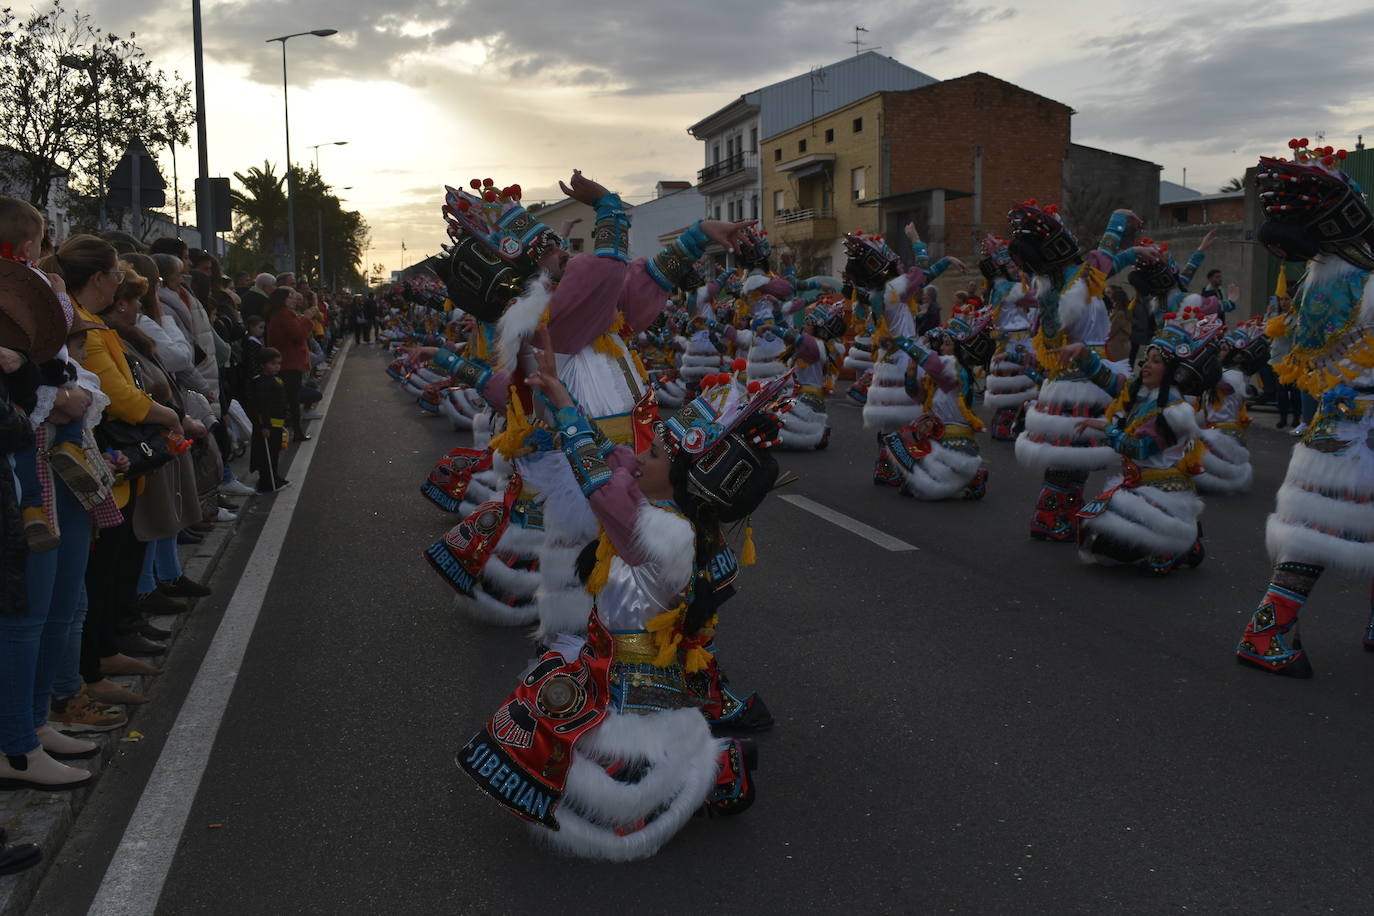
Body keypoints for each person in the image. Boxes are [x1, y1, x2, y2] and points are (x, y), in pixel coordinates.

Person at [457, 337, 779, 859]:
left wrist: (563, 405)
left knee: (556, 724)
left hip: (625, 678)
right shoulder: (686, 522)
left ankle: (714, 771)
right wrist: (566, 400)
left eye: (653, 453)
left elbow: (598, 481)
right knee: (567, 711)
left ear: (678, 481)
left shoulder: (657, 535)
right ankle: (710, 769)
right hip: (633, 664)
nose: (640, 453)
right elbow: (613, 457)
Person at [1235, 141, 1374, 676]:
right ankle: (1264, 633)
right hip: (1360, 425)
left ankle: (1270, 630)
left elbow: (1282, 355)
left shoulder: (1315, 287)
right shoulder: (1366, 285)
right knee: (1317, 535)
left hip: (1329, 427)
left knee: (1316, 525)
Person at [1009, 203, 1147, 542]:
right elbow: (1105, 256)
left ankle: (1061, 512)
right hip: (1084, 375)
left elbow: (1108, 261)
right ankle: (1049, 515)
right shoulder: (1075, 282)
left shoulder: (1055, 286)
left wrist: (1135, 251)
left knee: (1075, 456)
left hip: (1073, 376)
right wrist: (1119, 217)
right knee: (1073, 456)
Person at [1062, 314, 1213, 574]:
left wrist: (1106, 428)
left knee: (1124, 548)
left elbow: (1140, 448)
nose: (1146, 365)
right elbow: (1111, 382)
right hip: (1136, 484)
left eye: (1156, 361)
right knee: (1100, 542)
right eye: (1147, 359)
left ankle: (1180, 545)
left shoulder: (1173, 411)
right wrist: (1084, 355)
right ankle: (1184, 540)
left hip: (1162, 489)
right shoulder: (1143, 393)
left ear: (1173, 372)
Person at [880, 312, 993, 500]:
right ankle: (970, 477)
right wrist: (910, 375)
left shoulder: (954, 367)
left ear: (960, 349)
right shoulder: (940, 374)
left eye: (947, 343)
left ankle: (973, 476)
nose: (941, 347)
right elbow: (918, 396)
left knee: (924, 486)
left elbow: (929, 361)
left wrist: (901, 342)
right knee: (908, 470)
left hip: (953, 439)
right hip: (936, 436)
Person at [264, 287, 313, 442]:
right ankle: (296, 432)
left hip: (286, 363)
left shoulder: (281, 315)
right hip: (289, 364)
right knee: (292, 399)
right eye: (291, 296)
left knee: (290, 399)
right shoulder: (284, 316)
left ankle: (291, 431)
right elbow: (299, 335)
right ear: (283, 299)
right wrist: (306, 319)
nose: (295, 299)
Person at [248, 347, 288, 492]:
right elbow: (262, 406)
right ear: (263, 364)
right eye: (273, 363)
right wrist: (264, 426)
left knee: (275, 452)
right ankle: (267, 483)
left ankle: (274, 476)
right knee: (267, 455)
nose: (277, 366)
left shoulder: (274, 379)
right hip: (268, 424)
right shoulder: (261, 382)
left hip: (277, 422)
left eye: (279, 363)